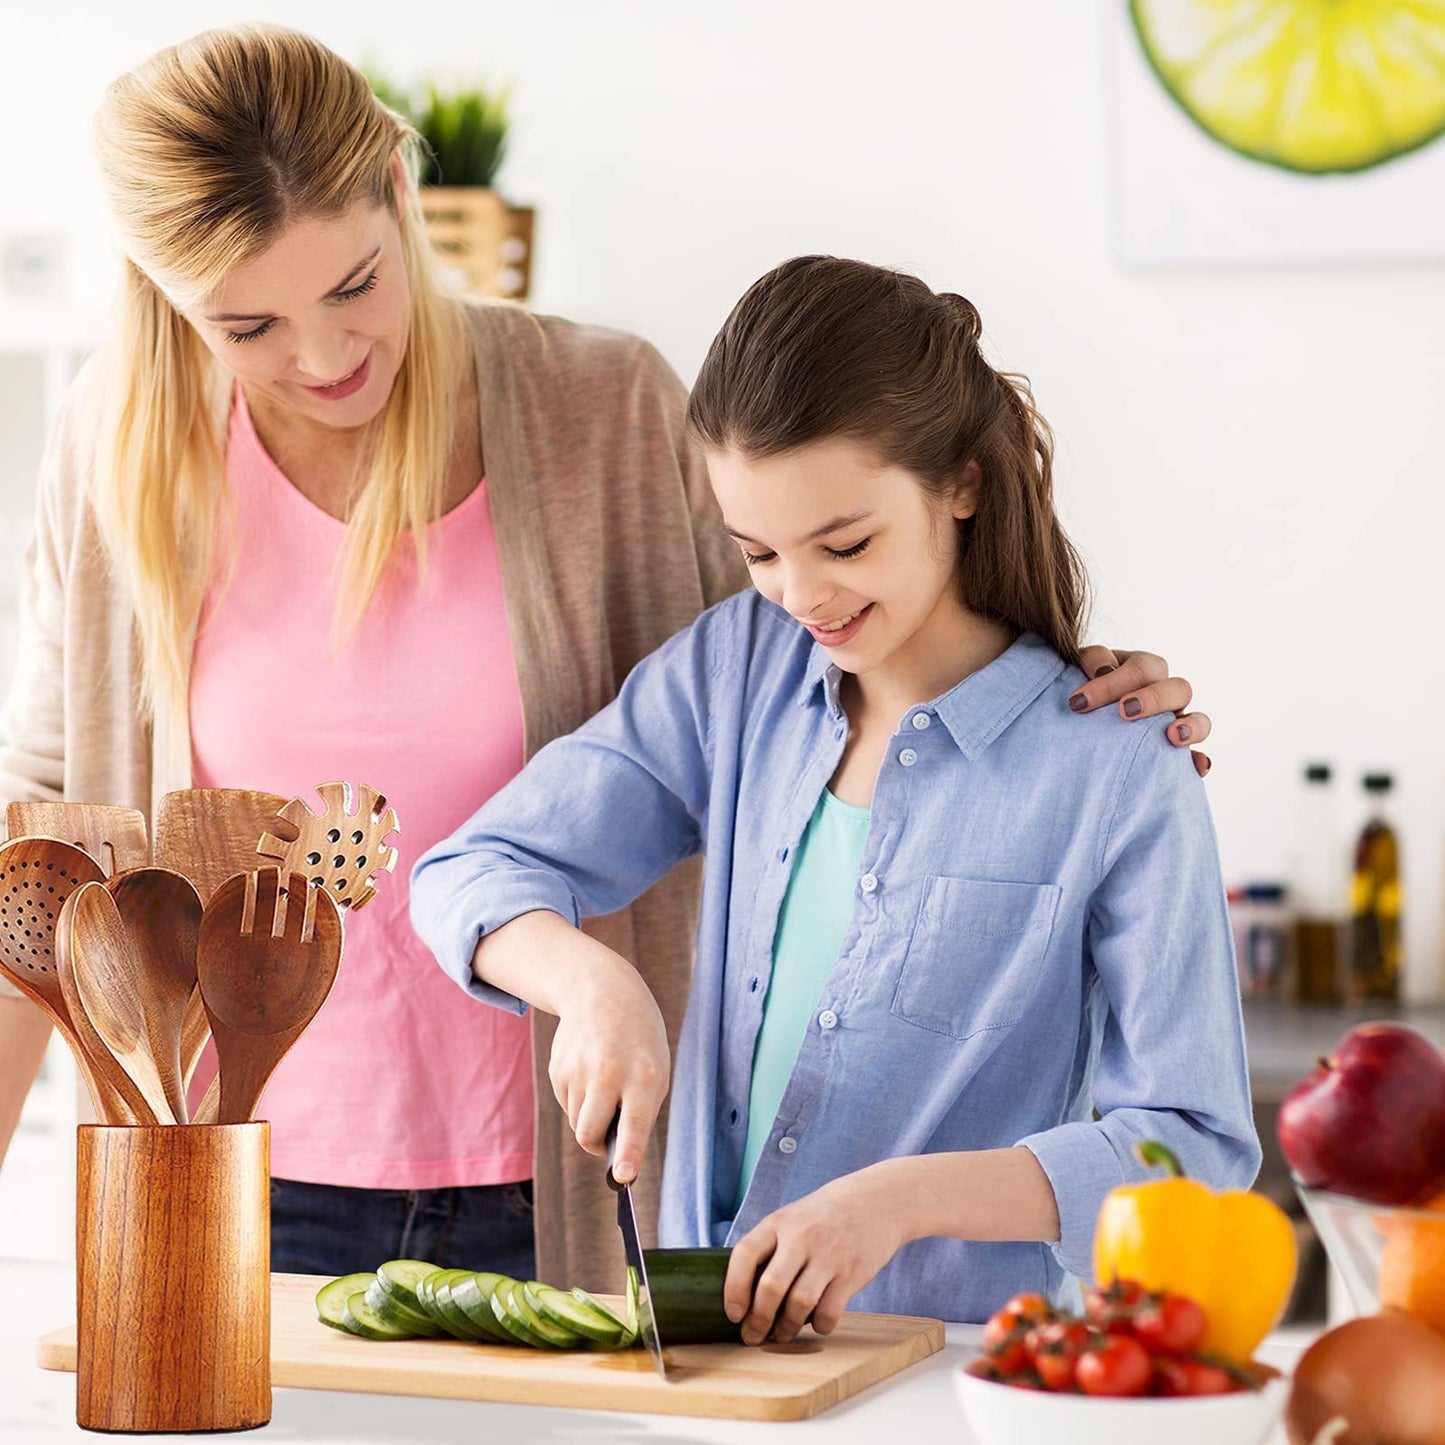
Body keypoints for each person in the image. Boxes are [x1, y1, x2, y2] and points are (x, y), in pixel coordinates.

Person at [0, 24, 1208, 1286]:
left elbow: (818, 659)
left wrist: (1055, 681)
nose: (322, 357)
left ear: (404, 196)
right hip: (224, 1162)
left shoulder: (605, 410)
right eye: (248, 325)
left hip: (572, 1182)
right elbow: (44, 853)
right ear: (165, 297)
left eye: (355, 286)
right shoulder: (115, 449)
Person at [410, 255, 1255, 1334]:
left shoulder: (1116, 767)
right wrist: (590, 982)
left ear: (961, 482)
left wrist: (897, 1202)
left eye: (844, 543)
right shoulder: (735, 672)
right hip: (710, 1370)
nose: (800, 595)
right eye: (757, 550)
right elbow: (467, 871)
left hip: (949, 1382)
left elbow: (1189, 1144)